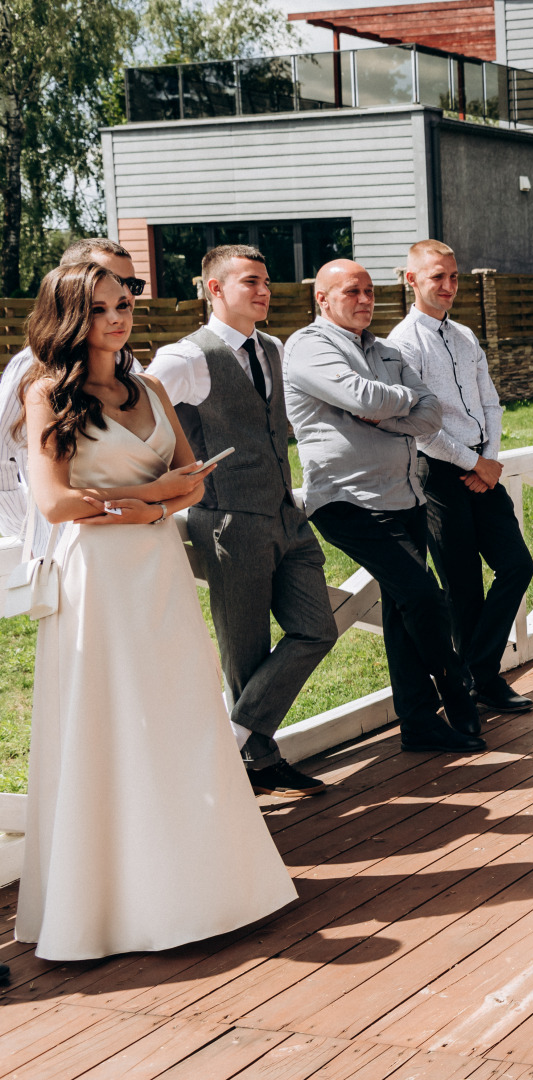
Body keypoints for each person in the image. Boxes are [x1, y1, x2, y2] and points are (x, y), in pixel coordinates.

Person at [15, 262, 295, 960]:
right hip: (101, 582)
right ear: (71, 317)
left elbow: (193, 485)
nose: (118, 319)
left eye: (123, 306)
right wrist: (144, 505)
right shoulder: (46, 393)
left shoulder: (152, 387)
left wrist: (159, 502)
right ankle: (110, 907)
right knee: (113, 723)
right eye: (103, 308)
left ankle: (204, 890)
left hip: (159, 571)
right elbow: (52, 503)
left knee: (179, 718)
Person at [147, 245, 340, 796]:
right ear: (214, 289)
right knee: (245, 649)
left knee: (316, 629)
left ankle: (231, 741)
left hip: (286, 514)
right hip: (228, 520)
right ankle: (260, 762)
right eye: (250, 282)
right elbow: (144, 425)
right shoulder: (183, 359)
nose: (264, 292)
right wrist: (174, 479)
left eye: (266, 282)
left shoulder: (273, 347)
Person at [285, 260, 485, 755]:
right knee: (424, 598)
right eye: (352, 291)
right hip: (348, 500)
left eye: (370, 291)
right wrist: (396, 404)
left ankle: (418, 724)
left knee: (402, 609)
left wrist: (385, 415)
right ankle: (459, 694)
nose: (365, 300)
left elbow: (430, 410)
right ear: (323, 299)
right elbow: (362, 397)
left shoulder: (384, 349)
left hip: (403, 495)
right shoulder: (308, 346)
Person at [387, 240, 533, 715]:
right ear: (412, 280)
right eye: (438, 277)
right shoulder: (402, 345)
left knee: (517, 566)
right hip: (439, 472)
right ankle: (481, 683)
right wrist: (472, 465)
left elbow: (490, 402)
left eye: (454, 277)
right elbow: (419, 426)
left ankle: (473, 672)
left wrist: (488, 459)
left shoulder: (467, 337)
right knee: (463, 585)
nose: (449, 286)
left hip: (481, 464)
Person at [1, 239, 144, 552]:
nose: (125, 294)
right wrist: (29, 523)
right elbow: (1, 456)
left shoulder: (131, 366)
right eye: (107, 278)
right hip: (65, 547)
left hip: (132, 538)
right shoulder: (33, 367)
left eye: (131, 284)